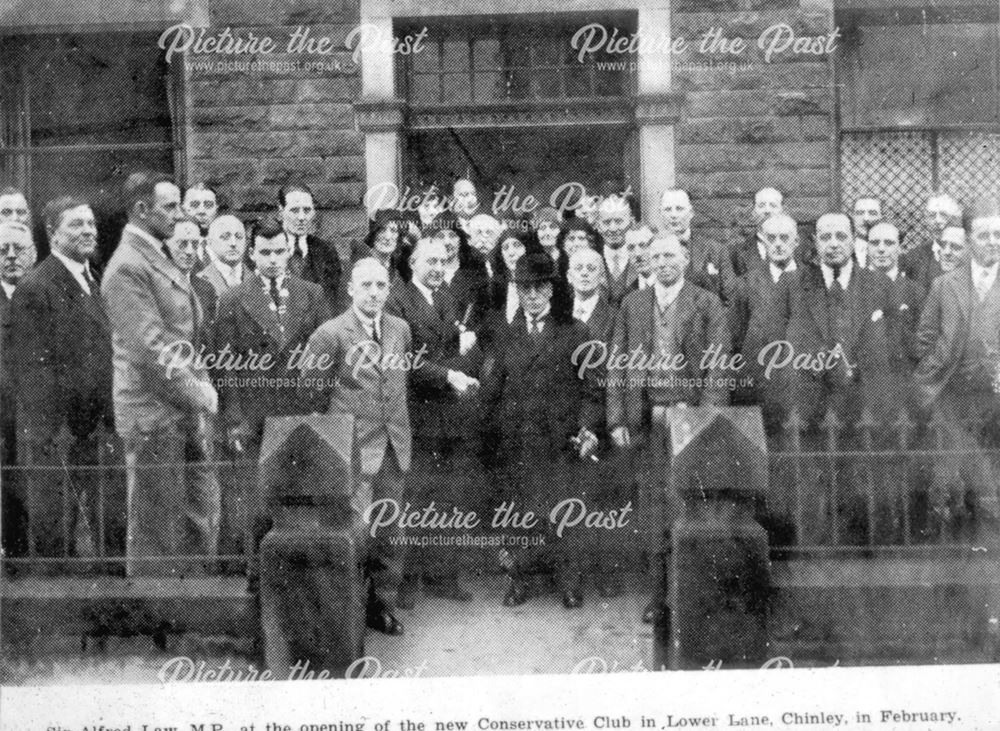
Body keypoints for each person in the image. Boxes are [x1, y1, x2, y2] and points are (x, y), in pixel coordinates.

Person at [606, 234, 731, 622]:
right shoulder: (633, 304)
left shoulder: (706, 303)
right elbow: (616, 363)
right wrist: (617, 417)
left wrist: (706, 417)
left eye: (669, 256)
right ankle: (658, 596)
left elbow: (718, 364)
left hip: (689, 418)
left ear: (685, 258)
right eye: (655, 256)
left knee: (690, 503)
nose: (661, 262)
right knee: (653, 507)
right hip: (646, 417)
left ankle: (689, 593)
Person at [101, 172, 220, 576]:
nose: (181, 213)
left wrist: (198, 384)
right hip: (153, 412)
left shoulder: (155, 254)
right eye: (170, 206)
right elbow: (151, 348)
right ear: (141, 209)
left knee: (194, 516)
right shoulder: (128, 266)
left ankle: (194, 612)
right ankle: (159, 629)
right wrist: (198, 392)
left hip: (177, 407)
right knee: (157, 533)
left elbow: (183, 336)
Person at [480, 252, 600, 609]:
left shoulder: (576, 332)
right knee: (519, 513)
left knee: (564, 512)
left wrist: (588, 427)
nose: (532, 295)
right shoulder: (505, 334)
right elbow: (492, 388)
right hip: (517, 439)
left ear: (551, 290)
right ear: (517, 291)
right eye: (525, 289)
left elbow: (593, 388)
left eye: (539, 288)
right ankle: (520, 579)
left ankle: (569, 581)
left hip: (560, 440)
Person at [299, 258, 412, 636]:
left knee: (390, 533)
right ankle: (346, 613)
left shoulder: (400, 329)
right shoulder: (330, 334)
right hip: (351, 453)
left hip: (393, 447)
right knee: (353, 534)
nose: (374, 293)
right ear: (350, 289)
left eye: (381, 285)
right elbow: (309, 393)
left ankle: (383, 606)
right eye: (365, 285)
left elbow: (397, 383)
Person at [10, 197, 114, 564]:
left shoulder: (93, 279)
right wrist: (54, 431)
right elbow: (31, 369)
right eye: (76, 225)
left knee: (109, 531)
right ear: (53, 233)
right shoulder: (37, 287)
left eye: (90, 224)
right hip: (57, 435)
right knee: (56, 539)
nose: (88, 231)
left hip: (96, 430)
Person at [385, 237, 482, 608]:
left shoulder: (446, 298)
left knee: (449, 495)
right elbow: (404, 360)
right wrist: (449, 376)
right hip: (418, 413)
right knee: (417, 496)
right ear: (413, 264)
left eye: (443, 261)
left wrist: (462, 369)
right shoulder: (398, 301)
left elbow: (454, 349)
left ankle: (444, 576)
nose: (438, 268)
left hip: (449, 413)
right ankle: (408, 580)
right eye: (431, 261)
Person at [914, 201, 1000, 544]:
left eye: (998, 235)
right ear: (968, 239)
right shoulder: (945, 285)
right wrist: (937, 368)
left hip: (996, 397)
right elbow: (924, 338)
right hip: (953, 395)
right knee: (951, 476)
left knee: (993, 473)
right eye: (984, 235)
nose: (993, 241)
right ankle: (952, 549)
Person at [730, 213, 799, 414]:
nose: (778, 244)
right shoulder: (747, 283)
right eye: (771, 238)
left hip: (798, 385)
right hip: (758, 386)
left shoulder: (811, 281)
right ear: (763, 241)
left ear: (796, 241)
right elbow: (735, 337)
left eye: (784, 238)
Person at [0, 220, 37, 564]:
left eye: (19, 249)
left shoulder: (44, 295)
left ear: (34, 253)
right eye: (3, 251)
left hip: (39, 418)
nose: (11, 257)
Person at [660, 188, 734, 303]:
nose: (673, 215)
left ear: (691, 213)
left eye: (679, 209)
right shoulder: (651, 251)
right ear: (661, 213)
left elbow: (731, 299)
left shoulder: (716, 250)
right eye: (668, 209)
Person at [278, 182, 342, 312]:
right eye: (294, 210)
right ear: (281, 212)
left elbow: (331, 301)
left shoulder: (326, 251)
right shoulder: (267, 248)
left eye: (307, 210)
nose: (302, 217)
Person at [901, 193, 962, 290]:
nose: (937, 220)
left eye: (943, 215)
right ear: (926, 220)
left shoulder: (967, 254)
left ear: (955, 218)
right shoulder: (915, 256)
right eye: (932, 216)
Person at [731, 187, 784, 276]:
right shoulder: (737, 253)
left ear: (782, 211)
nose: (767, 211)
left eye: (773, 205)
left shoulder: (798, 249)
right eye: (761, 205)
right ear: (753, 212)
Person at [597, 195, 636, 307]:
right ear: (598, 226)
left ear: (631, 223)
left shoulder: (642, 259)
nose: (613, 229)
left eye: (619, 221)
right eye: (606, 222)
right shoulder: (591, 260)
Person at [198, 214, 249, 298]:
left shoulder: (257, 278)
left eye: (239, 237)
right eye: (225, 237)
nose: (233, 243)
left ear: (246, 242)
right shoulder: (199, 280)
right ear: (210, 243)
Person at [850, 196, 883, 269]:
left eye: (872, 213)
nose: (866, 218)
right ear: (853, 217)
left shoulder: (892, 251)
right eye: (860, 213)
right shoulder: (845, 251)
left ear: (881, 217)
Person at [624, 224, 656, 291]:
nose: (637, 254)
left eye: (643, 246)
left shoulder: (674, 285)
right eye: (631, 248)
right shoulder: (627, 294)